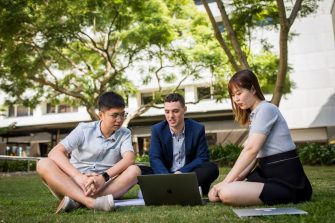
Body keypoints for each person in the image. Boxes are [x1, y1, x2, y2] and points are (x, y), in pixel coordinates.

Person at [208, 70, 312, 206]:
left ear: (252, 89)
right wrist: (235, 179)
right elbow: (254, 156)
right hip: (266, 173)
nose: (236, 99)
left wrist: (226, 182)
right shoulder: (255, 114)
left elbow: (251, 150)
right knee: (215, 194)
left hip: (287, 179)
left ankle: (294, 194)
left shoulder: (266, 109)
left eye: (239, 93)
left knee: (226, 192)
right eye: (233, 95)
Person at [36, 91, 141, 213]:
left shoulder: (124, 133)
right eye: (114, 115)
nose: (120, 120)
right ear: (101, 115)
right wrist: (79, 177)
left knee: (135, 170)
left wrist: (103, 178)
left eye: (123, 114)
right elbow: (55, 153)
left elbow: (129, 159)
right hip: (74, 183)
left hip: (105, 185)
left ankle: (75, 200)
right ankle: (90, 202)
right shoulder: (83, 129)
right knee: (43, 163)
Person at [139, 93, 219, 195]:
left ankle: (165, 191)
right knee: (138, 170)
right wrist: (167, 177)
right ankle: (186, 190)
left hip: (188, 174)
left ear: (184, 109)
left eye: (175, 111)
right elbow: (155, 158)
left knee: (211, 168)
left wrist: (181, 172)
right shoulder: (157, 130)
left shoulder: (197, 128)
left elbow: (202, 157)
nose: (170, 116)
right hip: (165, 173)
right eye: (167, 112)